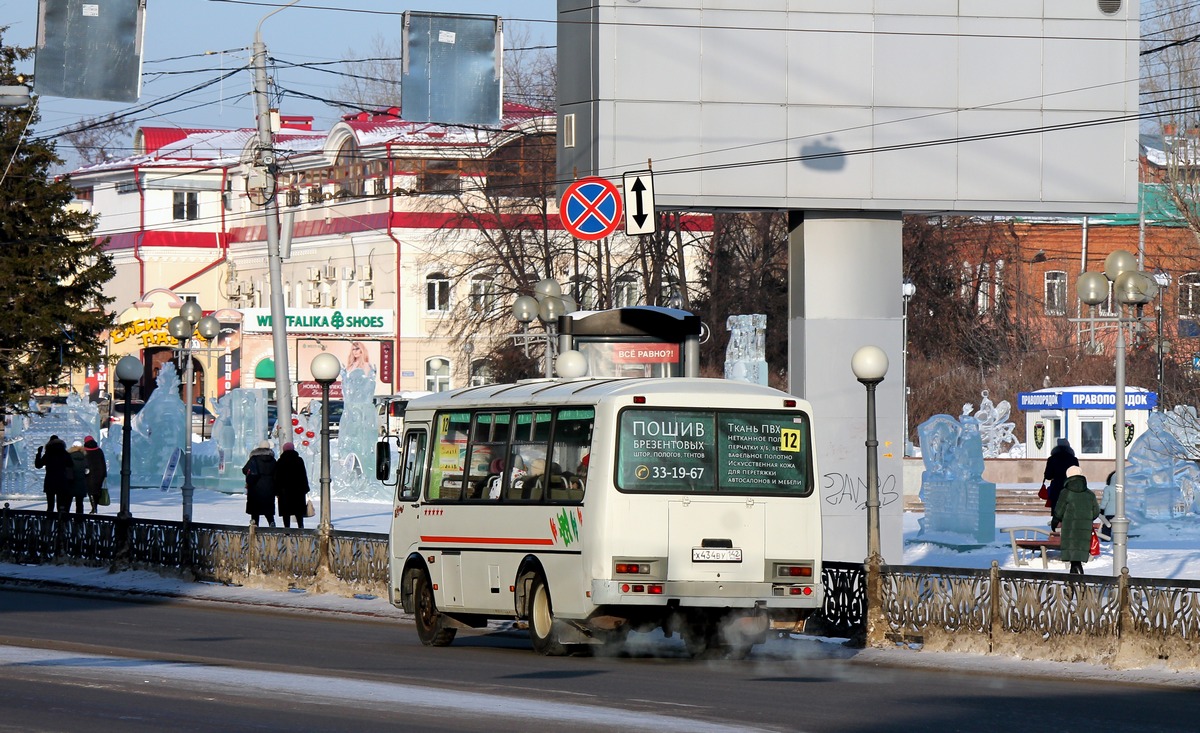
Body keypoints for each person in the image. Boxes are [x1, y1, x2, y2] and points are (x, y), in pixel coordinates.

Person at [1051, 465, 1101, 574]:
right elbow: (1096, 511)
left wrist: (1055, 522)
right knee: (1076, 560)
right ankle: (1075, 584)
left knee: (1074, 559)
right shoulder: (1089, 494)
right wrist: (1086, 518)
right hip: (1084, 529)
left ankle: (1077, 583)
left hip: (1070, 528)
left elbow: (1059, 510)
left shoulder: (1066, 492)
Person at [274, 442, 310, 529]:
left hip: (284, 491)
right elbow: (303, 475)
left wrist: (277, 491)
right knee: (299, 511)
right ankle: (300, 527)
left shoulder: (280, 461)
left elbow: (277, 477)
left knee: (286, 512)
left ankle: (287, 529)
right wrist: (305, 488)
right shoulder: (299, 460)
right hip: (298, 490)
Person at [34, 435, 73, 514]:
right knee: (60, 505)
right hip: (62, 480)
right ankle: (60, 522)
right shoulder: (64, 453)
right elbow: (70, 464)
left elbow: (38, 465)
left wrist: (38, 453)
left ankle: (49, 522)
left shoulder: (48, 454)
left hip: (50, 480)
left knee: (50, 505)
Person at [243, 441, 278, 527]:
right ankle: (271, 522)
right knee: (268, 507)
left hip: (255, 487)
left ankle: (255, 525)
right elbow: (277, 474)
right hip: (269, 487)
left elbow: (244, 469)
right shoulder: (273, 460)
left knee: (255, 508)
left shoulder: (254, 459)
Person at [1043, 438, 1079, 520]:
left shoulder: (1052, 459)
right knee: (1069, 512)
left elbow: (1048, 475)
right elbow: (1077, 474)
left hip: (1056, 488)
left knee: (1056, 513)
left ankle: (1056, 530)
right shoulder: (1073, 459)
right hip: (1070, 488)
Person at [83, 436, 108, 514]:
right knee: (97, 491)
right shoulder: (99, 450)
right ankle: (95, 506)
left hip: (89, 473)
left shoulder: (85, 451)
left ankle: (94, 508)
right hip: (99, 473)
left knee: (91, 491)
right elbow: (103, 463)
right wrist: (104, 474)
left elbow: (84, 463)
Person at [67, 440, 89, 515]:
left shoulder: (69, 457)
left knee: (68, 503)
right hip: (81, 482)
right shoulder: (84, 457)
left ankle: (66, 520)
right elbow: (87, 470)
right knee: (79, 504)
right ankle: (79, 520)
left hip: (71, 482)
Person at [1098, 470, 1117, 542]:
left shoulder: (1108, 488)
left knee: (1107, 526)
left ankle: (1105, 538)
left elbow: (1105, 500)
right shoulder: (1123, 489)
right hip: (1120, 512)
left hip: (1109, 512)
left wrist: (1102, 508)